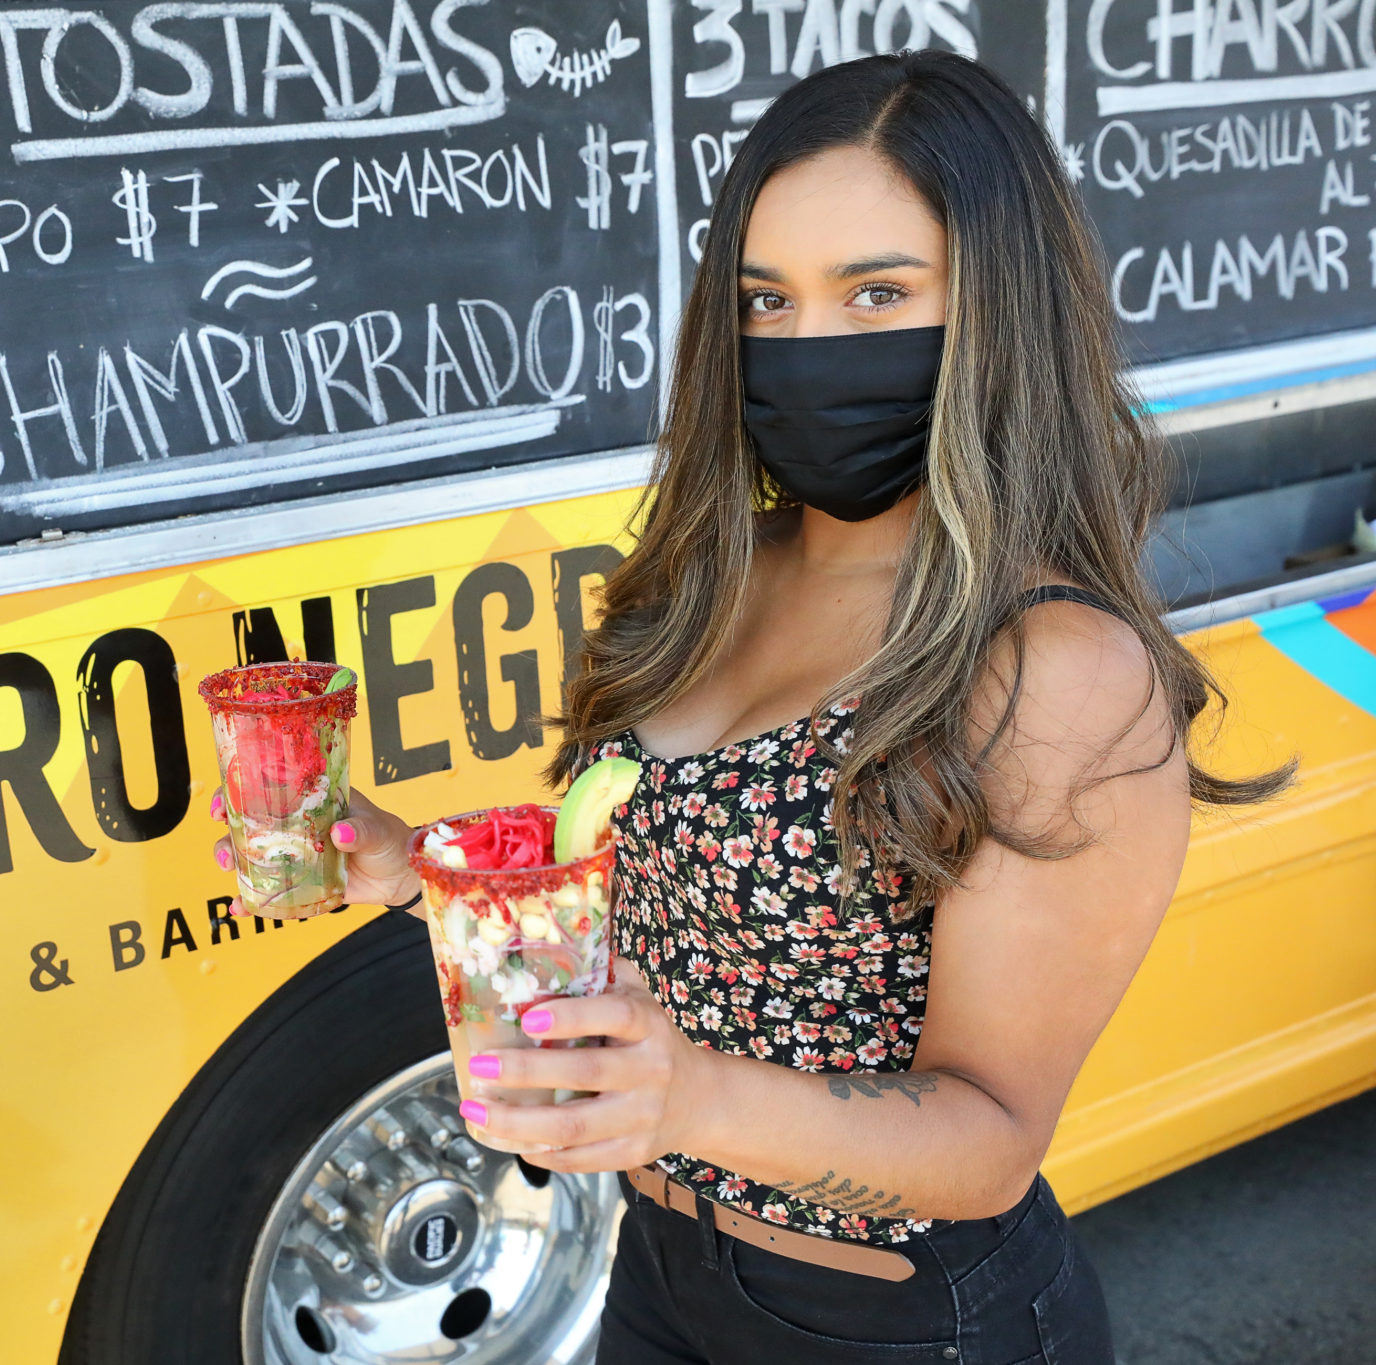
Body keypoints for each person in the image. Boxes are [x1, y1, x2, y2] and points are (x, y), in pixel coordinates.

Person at [214, 49, 1291, 1364]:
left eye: (878, 292)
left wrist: (693, 1093)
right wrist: (404, 864)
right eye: (765, 301)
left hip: (898, 1319)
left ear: (1002, 311)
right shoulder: (726, 572)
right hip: (660, 1265)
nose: (804, 346)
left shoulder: (1052, 664)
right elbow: (662, 867)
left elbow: (991, 1141)